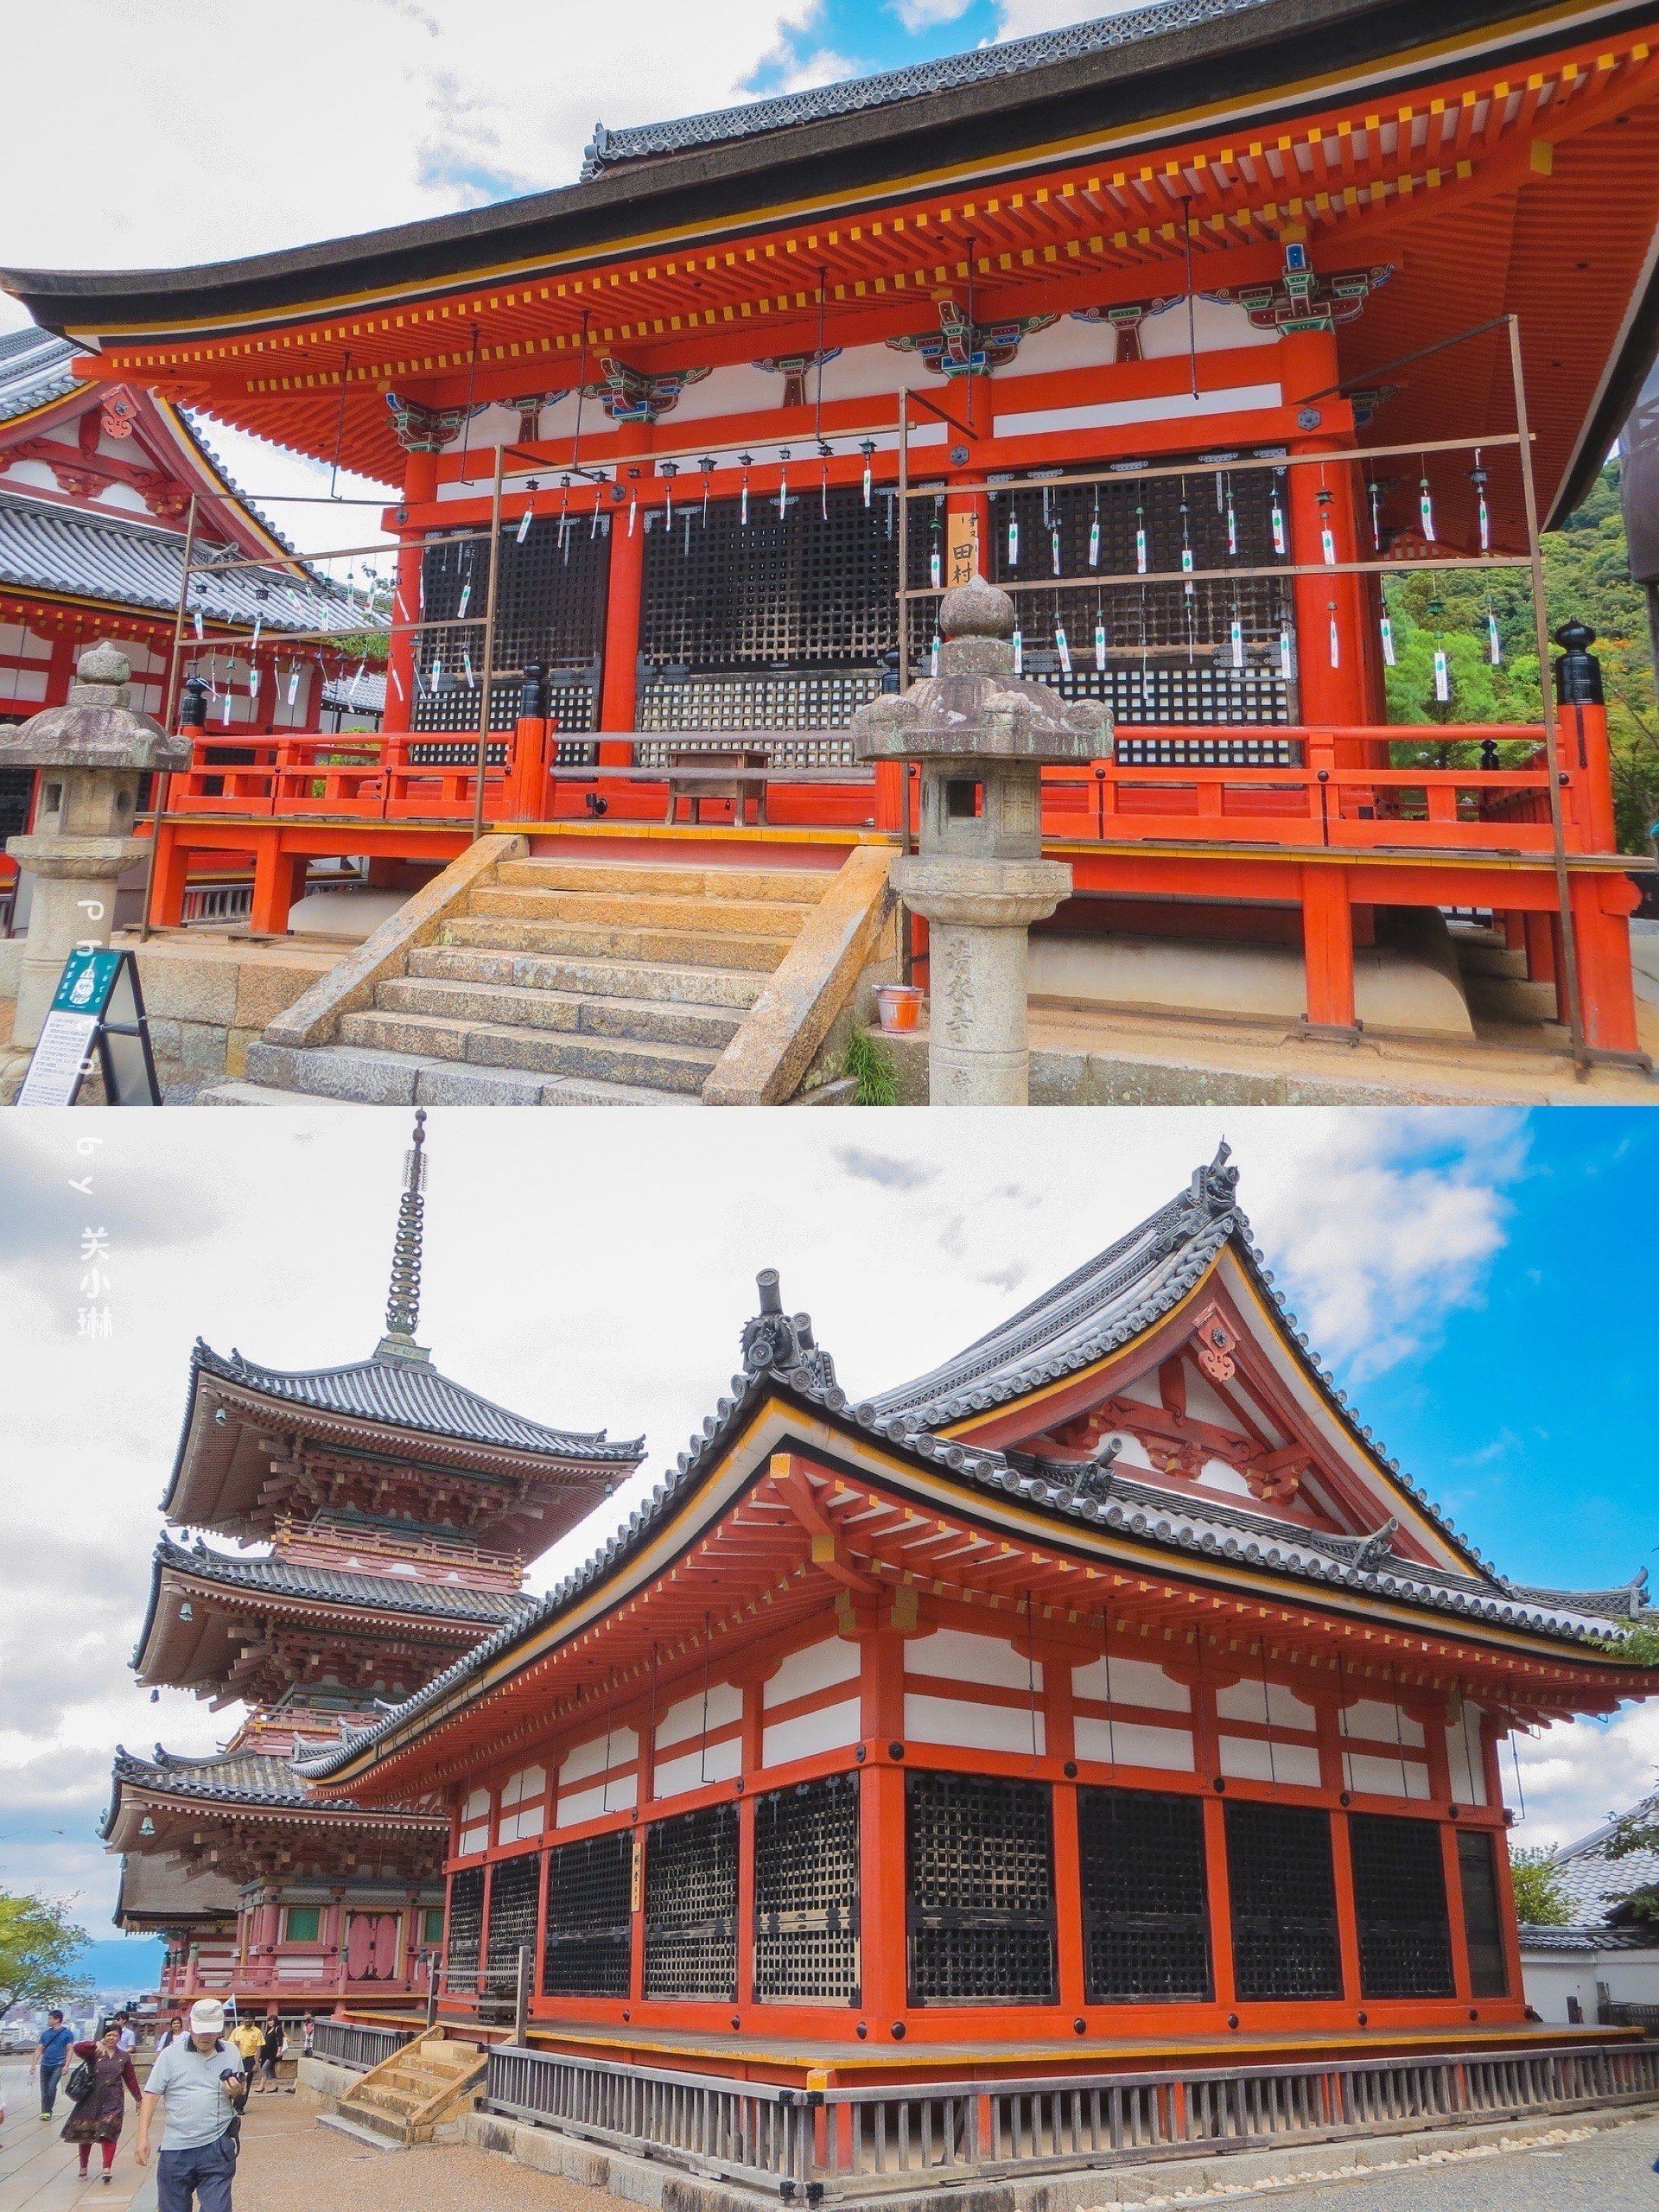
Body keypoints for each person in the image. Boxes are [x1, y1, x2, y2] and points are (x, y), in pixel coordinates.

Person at [135, 1996, 250, 2212]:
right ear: (191, 2026)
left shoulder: (231, 2052)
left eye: (211, 2031)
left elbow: (239, 2094)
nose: (206, 2036)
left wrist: (236, 2091)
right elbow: (150, 2095)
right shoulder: (170, 2055)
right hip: (177, 2148)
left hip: (217, 2144)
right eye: (201, 2030)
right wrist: (142, 2137)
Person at [60, 2020, 142, 2184]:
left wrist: (138, 2098)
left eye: (115, 2035)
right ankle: (83, 2167)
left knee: (109, 2132)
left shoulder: (123, 2057)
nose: (111, 2038)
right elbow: (78, 2048)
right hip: (91, 2098)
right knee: (86, 2133)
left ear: (119, 2038)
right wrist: (95, 2043)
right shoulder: (94, 2051)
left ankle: (107, 2168)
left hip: (114, 2098)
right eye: (108, 2035)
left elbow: (130, 2078)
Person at [32, 2008, 75, 2120]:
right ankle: (45, 2111)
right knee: (44, 2089)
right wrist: (33, 2064)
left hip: (58, 2063)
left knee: (52, 2087)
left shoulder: (67, 2033)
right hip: (45, 2064)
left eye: (50, 2018)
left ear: (57, 2020)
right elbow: (39, 2048)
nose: (48, 2020)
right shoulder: (45, 2034)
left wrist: (66, 2065)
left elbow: (70, 2049)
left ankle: (48, 2110)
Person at [227, 2014, 264, 2078]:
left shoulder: (257, 2032)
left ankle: (247, 2088)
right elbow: (229, 2043)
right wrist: (234, 2043)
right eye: (246, 2018)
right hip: (238, 2058)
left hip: (250, 2059)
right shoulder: (237, 2030)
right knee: (236, 2078)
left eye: (250, 2018)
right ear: (243, 2019)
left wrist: (257, 2063)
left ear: (253, 2019)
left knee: (248, 2079)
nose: (248, 2020)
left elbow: (259, 2048)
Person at [256, 2013, 285, 2093]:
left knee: (264, 2068)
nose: (270, 2022)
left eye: (272, 2021)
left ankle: (262, 2086)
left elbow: (280, 2040)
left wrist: (279, 2051)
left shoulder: (277, 2028)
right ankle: (275, 2086)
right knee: (271, 2070)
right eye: (269, 2021)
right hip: (266, 2052)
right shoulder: (268, 2030)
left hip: (273, 2053)